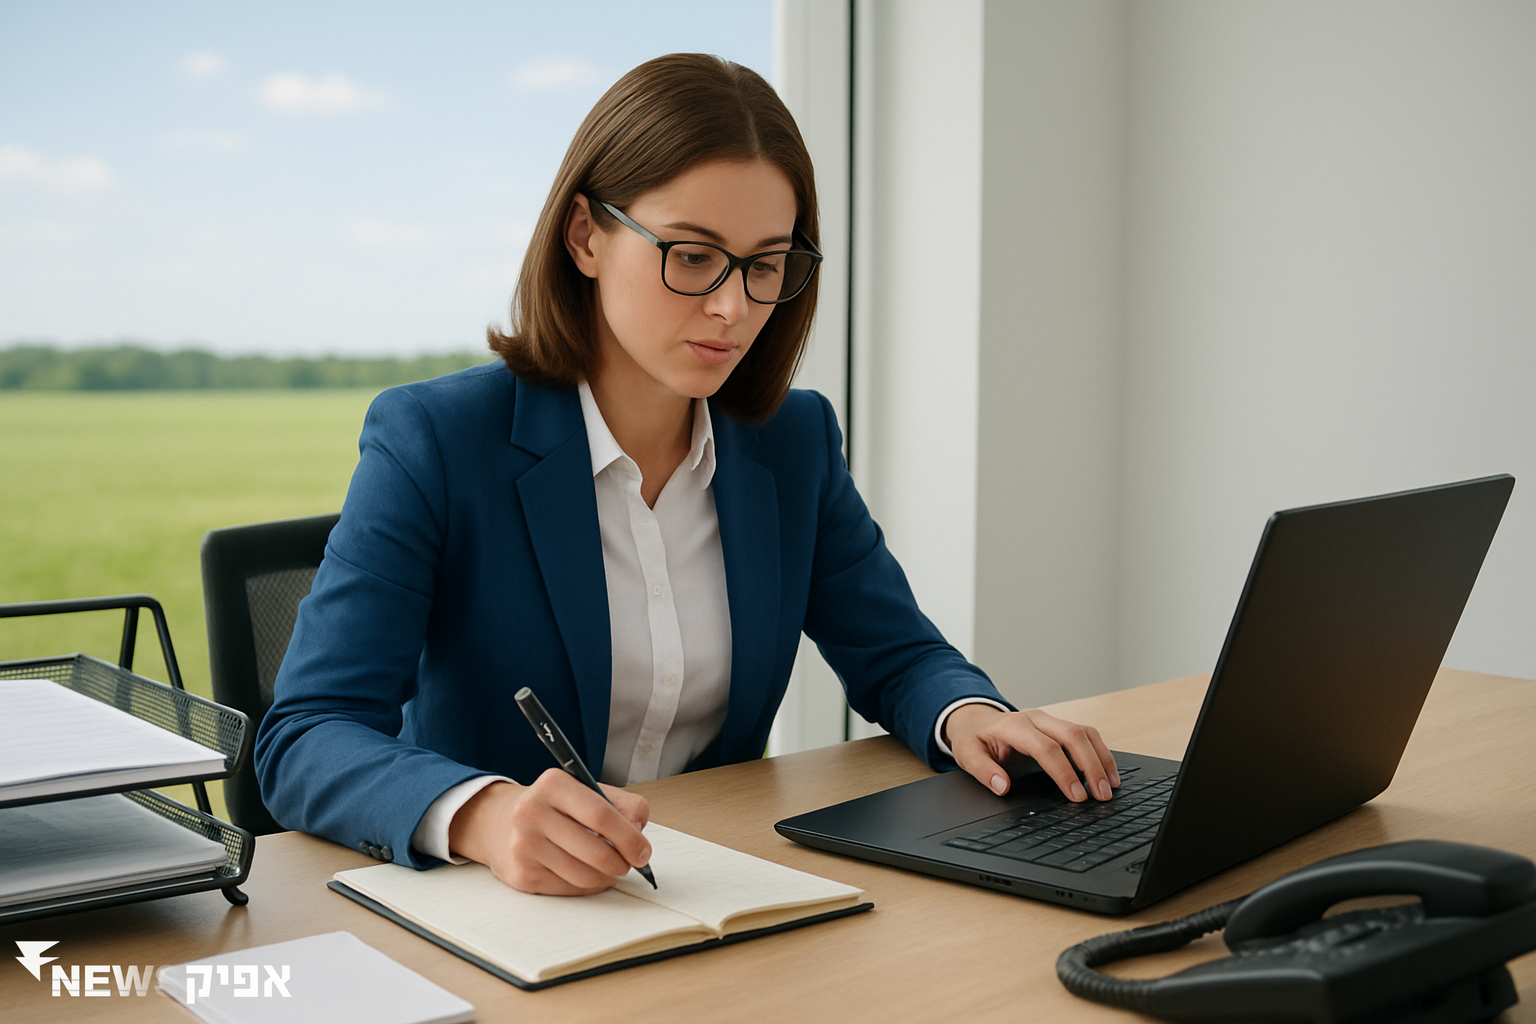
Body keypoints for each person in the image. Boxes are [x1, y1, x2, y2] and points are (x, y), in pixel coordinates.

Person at [254, 53, 1118, 897]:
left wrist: (970, 717)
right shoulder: (437, 441)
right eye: (693, 255)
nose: (732, 307)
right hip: (503, 912)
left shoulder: (792, 441)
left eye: (765, 264)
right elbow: (304, 736)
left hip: (709, 892)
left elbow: (895, 653)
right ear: (587, 235)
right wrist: (483, 815)